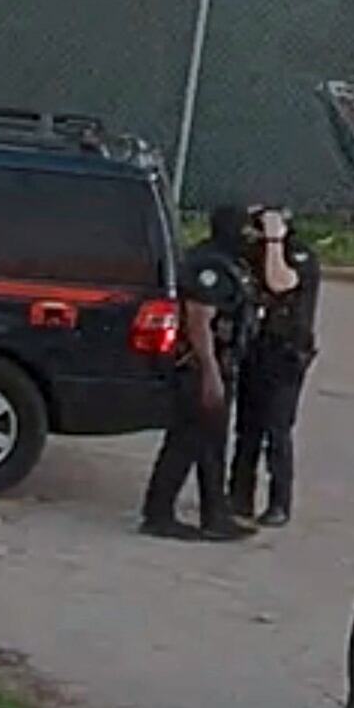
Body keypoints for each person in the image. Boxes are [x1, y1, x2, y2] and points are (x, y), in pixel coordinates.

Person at [139, 204, 257, 541]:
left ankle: (215, 515)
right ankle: (158, 514)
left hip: (219, 365)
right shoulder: (209, 266)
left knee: (211, 444)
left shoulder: (228, 261)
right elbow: (199, 320)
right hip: (200, 366)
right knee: (186, 441)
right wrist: (210, 372)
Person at [227, 203, 322, 527]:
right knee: (246, 428)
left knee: (277, 429)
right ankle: (239, 496)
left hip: (286, 354)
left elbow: (280, 282)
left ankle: (280, 502)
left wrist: (274, 242)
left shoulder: (299, 256)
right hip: (256, 349)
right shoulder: (253, 254)